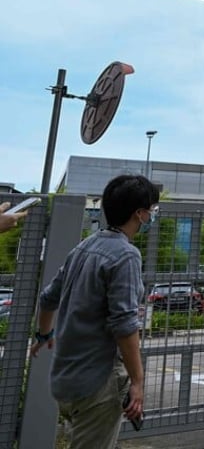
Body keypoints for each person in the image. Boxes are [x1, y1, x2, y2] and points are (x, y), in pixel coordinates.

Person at [29, 174, 157, 449]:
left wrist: (43, 335)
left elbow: (48, 298)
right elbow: (124, 324)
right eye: (152, 211)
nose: (152, 216)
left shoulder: (84, 247)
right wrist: (137, 381)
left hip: (66, 380)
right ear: (140, 214)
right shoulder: (126, 255)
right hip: (98, 382)